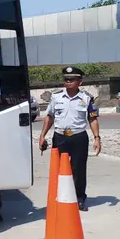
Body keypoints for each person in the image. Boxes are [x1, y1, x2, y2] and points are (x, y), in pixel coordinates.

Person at [38, 66, 101, 212]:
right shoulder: (56, 97)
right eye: (66, 79)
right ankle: (61, 196)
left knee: (78, 169)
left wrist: (97, 138)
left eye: (71, 79)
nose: (68, 82)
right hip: (60, 136)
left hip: (79, 136)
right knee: (59, 168)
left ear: (80, 81)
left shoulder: (86, 98)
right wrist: (42, 135)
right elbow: (50, 117)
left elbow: (92, 119)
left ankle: (79, 198)